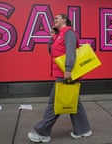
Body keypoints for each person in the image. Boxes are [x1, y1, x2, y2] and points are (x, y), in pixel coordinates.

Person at [27, 14, 92, 143]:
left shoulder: (69, 33)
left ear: (64, 20)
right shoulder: (59, 35)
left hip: (65, 73)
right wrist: (52, 38)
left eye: (57, 18)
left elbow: (71, 51)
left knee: (55, 103)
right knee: (74, 102)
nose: (54, 20)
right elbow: (51, 52)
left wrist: (68, 69)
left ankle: (42, 132)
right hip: (62, 73)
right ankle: (84, 130)